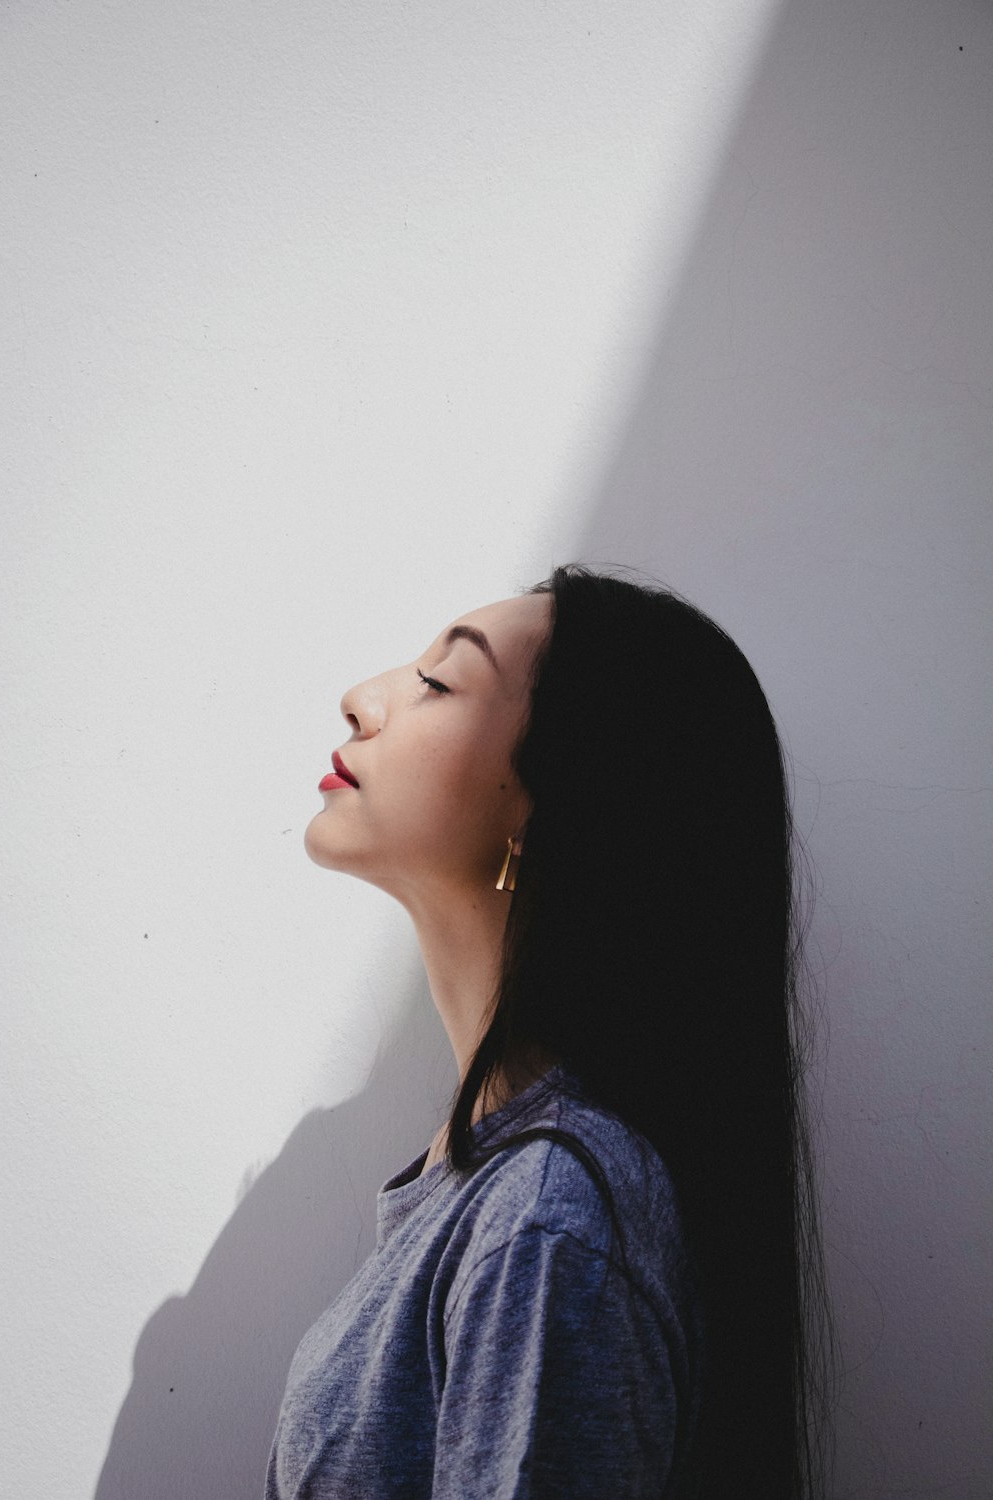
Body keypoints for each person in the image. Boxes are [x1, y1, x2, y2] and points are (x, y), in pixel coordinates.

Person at [264, 562, 835, 1499]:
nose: (362, 700)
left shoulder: (547, 1221)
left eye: (439, 682)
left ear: (552, 801)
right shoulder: (496, 1192)